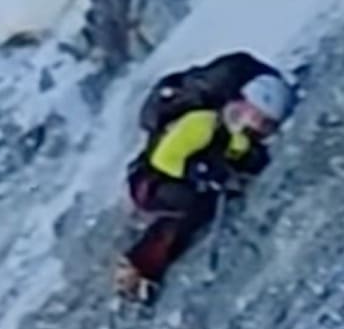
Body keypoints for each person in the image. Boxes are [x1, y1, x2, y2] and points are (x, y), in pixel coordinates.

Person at [115, 55, 295, 302]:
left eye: (266, 124)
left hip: (177, 182)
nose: (259, 127)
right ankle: (138, 269)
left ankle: (145, 268)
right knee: (188, 210)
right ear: (243, 104)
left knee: (196, 212)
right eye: (258, 117)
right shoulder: (203, 123)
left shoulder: (240, 139)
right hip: (150, 182)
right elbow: (163, 158)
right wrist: (199, 172)